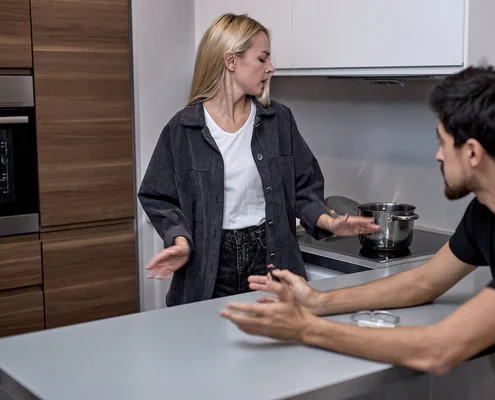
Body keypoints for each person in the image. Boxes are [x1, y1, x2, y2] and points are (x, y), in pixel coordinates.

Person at [220, 66, 495, 400]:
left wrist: (306, 329)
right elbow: (423, 283)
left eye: (441, 141)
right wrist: (317, 302)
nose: (437, 155)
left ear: (472, 153)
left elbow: (440, 349)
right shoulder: (489, 212)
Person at [138, 13, 379, 306]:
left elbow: (303, 187)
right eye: (262, 59)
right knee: (204, 347)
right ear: (231, 61)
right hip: (209, 268)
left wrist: (330, 222)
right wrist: (178, 239)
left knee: (277, 348)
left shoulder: (279, 121)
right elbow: (157, 195)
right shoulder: (182, 128)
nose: (271, 68)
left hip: (271, 259)